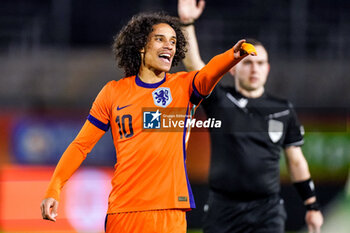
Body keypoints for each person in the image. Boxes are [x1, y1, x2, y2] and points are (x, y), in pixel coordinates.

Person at [40, 11, 255, 233]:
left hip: (169, 210)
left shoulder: (184, 86)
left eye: (173, 41)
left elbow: (209, 73)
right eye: (160, 39)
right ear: (141, 45)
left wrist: (233, 55)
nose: (169, 46)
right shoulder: (112, 93)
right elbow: (80, 146)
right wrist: (54, 189)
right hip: (123, 210)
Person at [178, 0, 324, 233]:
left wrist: (312, 205)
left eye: (260, 63)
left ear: (267, 68)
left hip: (267, 211)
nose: (254, 69)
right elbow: (194, 66)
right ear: (234, 67)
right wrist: (187, 22)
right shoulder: (220, 100)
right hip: (223, 210)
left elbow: (296, 161)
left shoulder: (283, 109)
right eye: (248, 63)